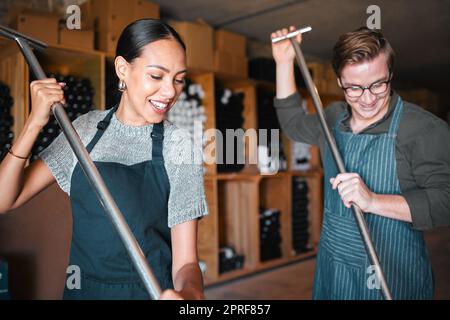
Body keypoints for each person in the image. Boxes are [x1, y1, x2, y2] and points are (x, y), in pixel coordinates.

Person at [0, 19, 208, 300]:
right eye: (157, 76)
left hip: (149, 294)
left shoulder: (180, 147)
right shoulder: (84, 130)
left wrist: (190, 296)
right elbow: (4, 199)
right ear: (123, 69)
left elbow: (186, 264)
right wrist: (34, 124)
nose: (171, 91)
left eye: (179, 79)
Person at [271, 26, 450, 299]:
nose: (367, 99)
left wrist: (373, 201)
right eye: (354, 88)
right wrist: (284, 63)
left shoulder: (423, 129)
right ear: (340, 82)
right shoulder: (330, 118)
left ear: (391, 75)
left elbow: (445, 201)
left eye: (378, 84)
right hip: (336, 269)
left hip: (393, 274)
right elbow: (293, 123)